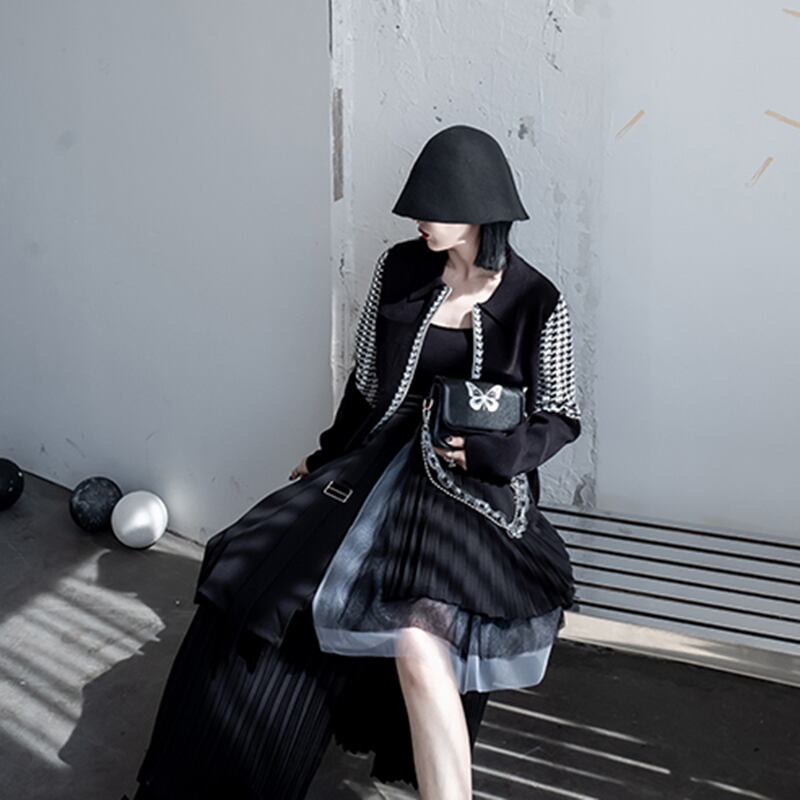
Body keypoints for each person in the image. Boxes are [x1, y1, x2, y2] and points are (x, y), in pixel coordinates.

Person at [126, 124, 582, 800]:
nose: (419, 221)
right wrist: (327, 455)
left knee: (423, 643)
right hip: (378, 462)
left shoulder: (536, 300)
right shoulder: (399, 268)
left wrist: (501, 453)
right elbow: (367, 384)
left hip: (471, 487)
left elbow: (562, 414)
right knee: (262, 585)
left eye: (434, 209)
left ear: (479, 211)